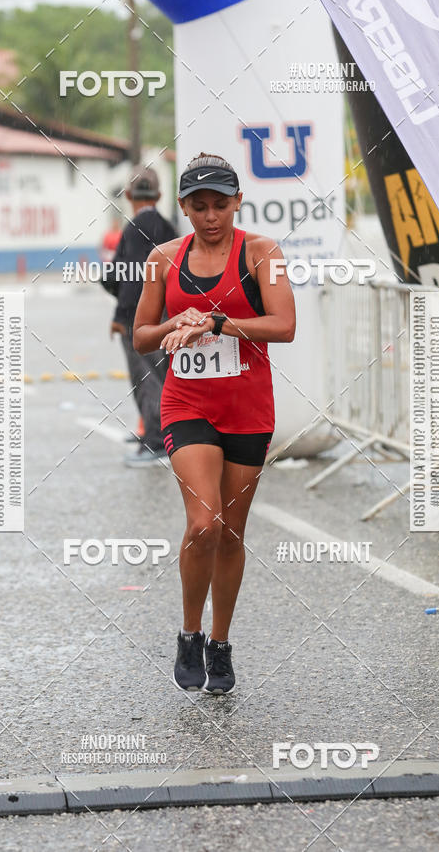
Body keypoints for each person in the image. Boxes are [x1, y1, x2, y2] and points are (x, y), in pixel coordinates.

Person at [133, 153, 295, 693]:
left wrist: (220, 322)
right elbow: (140, 336)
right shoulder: (162, 258)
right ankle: (189, 633)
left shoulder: (261, 253)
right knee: (203, 523)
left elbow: (284, 325)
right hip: (187, 404)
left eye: (219, 205)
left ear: (237, 202)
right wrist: (174, 324)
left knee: (230, 533)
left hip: (247, 408)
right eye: (198, 207)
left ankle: (221, 644)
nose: (209, 217)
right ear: (182, 207)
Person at [101, 166, 176, 467]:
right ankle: (165, 436)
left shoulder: (133, 229)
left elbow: (129, 276)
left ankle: (156, 442)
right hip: (167, 313)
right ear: (158, 195)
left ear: (130, 195)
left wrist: (121, 316)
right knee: (164, 376)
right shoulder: (168, 227)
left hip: (140, 318)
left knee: (146, 378)